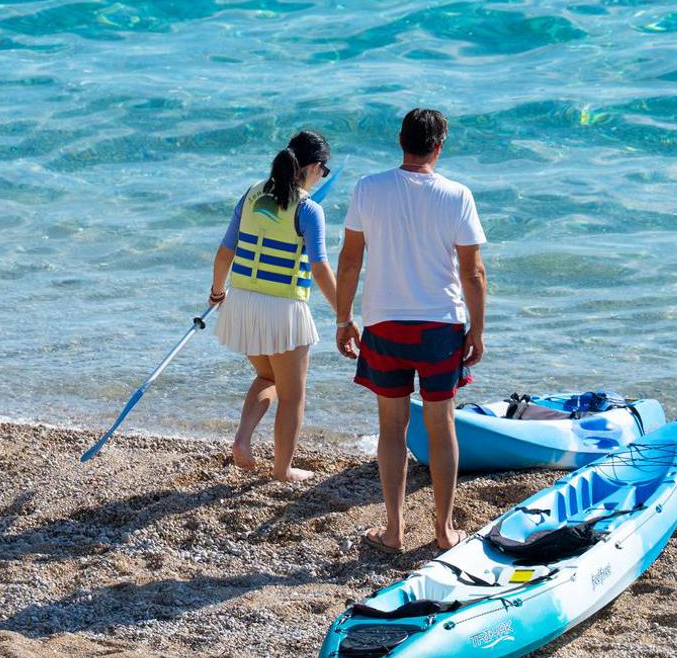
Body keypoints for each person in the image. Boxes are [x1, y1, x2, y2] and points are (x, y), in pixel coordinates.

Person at [335, 109, 487, 551]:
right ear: (439, 146)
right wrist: (477, 329)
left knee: (392, 428)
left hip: (384, 324)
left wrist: (344, 319)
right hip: (440, 326)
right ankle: (443, 531)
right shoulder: (457, 195)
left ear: (400, 140)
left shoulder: (368, 188)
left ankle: (394, 531)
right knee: (442, 427)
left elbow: (349, 260)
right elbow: (473, 272)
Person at [208, 131, 338, 482]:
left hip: (242, 303)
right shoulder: (309, 209)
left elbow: (224, 253)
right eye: (324, 171)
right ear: (314, 167)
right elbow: (321, 267)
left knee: (267, 376)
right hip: (282, 310)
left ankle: (242, 439)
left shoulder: (251, 194)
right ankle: (282, 470)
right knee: (293, 395)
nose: (323, 177)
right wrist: (345, 313)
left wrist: (217, 293)